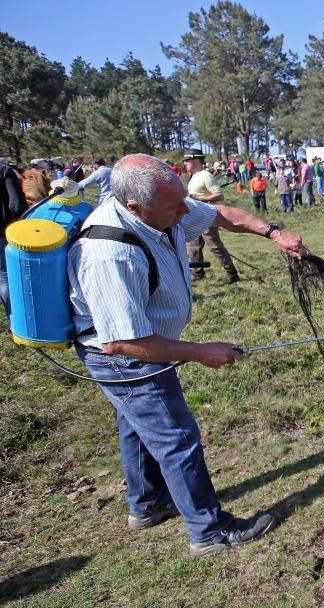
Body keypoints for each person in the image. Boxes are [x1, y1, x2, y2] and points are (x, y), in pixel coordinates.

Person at [68, 153, 305, 557]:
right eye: (174, 205)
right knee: (176, 437)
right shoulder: (110, 254)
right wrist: (200, 352)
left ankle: (148, 503)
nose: (185, 210)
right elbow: (121, 342)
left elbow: (220, 215)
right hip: (125, 356)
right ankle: (209, 531)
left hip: (140, 343)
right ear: (134, 208)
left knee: (138, 426)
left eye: (182, 200)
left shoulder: (165, 211)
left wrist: (272, 232)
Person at [182, 151, 239, 285]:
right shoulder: (194, 176)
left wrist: (199, 198)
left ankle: (231, 273)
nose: (185, 163)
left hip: (206, 216)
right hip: (194, 215)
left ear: (196, 161)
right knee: (192, 246)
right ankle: (197, 273)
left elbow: (219, 196)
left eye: (187, 160)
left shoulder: (206, 176)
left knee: (214, 246)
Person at [0, 157, 29, 317]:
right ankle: (16, 318)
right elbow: (16, 204)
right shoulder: (4, 170)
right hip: (4, 231)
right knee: (6, 277)